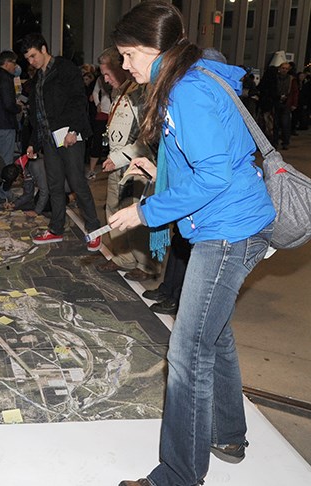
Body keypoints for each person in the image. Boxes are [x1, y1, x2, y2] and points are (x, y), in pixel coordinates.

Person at [108, 3, 276, 486]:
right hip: (229, 224)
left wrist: (144, 211)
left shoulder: (188, 90)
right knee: (212, 333)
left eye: (126, 55)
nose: (125, 66)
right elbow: (215, 159)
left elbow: (216, 176)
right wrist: (160, 175)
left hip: (229, 230)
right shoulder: (190, 79)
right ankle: (227, 433)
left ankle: (177, 476)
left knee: (186, 353)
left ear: (147, 49)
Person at [21, 33, 102, 252]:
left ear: (44, 49)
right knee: (54, 185)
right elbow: (38, 115)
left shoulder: (65, 69)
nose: (31, 62)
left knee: (77, 182)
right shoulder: (38, 79)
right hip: (49, 139)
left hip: (69, 137)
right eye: (28, 58)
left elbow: (78, 101)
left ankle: (94, 229)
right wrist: (33, 142)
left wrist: (74, 131)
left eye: (33, 56)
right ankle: (56, 229)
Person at [94, 47, 159, 282]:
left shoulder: (141, 93)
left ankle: (146, 264)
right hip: (117, 162)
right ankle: (124, 256)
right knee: (114, 210)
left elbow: (146, 136)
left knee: (137, 214)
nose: (106, 79)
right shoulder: (119, 93)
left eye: (108, 74)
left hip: (138, 164)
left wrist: (120, 158)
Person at [274, 61, 298, 150]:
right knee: (275, 124)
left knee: (285, 123)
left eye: (286, 69)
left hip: (287, 103)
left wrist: (294, 103)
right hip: (277, 102)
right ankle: (275, 142)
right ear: (280, 69)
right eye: (283, 68)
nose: (284, 70)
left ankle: (285, 142)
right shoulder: (275, 78)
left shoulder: (291, 79)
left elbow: (295, 92)